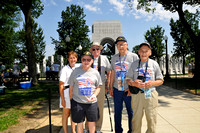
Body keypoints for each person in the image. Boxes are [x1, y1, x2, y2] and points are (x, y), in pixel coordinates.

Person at [126, 42, 164, 133]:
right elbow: (128, 79)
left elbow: (161, 80)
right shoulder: (134, 64)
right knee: (136, 118)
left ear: (150, 52)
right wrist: (133, 83)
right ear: (138, 52)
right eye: (142, 51)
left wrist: (152, 83)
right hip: (137, 95)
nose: (144, 53)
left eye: (146, 51)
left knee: (151, 118)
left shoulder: (154, 64)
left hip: (150, 94)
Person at [109, 36, 139, 133]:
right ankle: (118, 131)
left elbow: (136, 73)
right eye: (118, 45)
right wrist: (110, 87)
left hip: (128, 89)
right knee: (117, 112)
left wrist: (132, 88)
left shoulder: (134, 57)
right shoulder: (114, 58)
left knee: (131, 112)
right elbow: (113, 72)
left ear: (126, 45)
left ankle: (132, 130)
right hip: (117, 89)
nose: (120, 46)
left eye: (122, 44)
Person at [68, 51, 102, 133]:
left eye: (88, 60)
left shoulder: (95, 73)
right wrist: (72, 100)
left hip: (91, 103)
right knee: (79, 123)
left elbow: (98, 87)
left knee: (91, 122)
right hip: (78, 102)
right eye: (84, 60)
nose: (86, 62)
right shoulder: (75, 71)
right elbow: (71, 87)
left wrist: (94, 95)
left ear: (92, 61)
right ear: (81, 60)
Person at [84, 42, 111, 133]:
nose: (95, 51)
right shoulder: (88, 59)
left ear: (100, 50)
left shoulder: (104, 59)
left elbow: (109, 72)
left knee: (99, 107)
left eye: (97, 49)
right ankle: (87, 127)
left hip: (101, 85)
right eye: (93, 49)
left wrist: (107, 85)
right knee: (88, 106)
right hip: (89, 85)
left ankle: (98, 127)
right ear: (91, 50)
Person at [59, 51, 78, 133]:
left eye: (74, 58)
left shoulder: (78, 68)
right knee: (66, 114)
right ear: (68, 59)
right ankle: (65, 131)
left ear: (76, 59)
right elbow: (61, 85)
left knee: (74, 114)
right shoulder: (65, 69)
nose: (72, 59)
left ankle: (73, 131)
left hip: (75, 93)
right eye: (71, 58)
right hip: (66, 93)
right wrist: (62, 99)